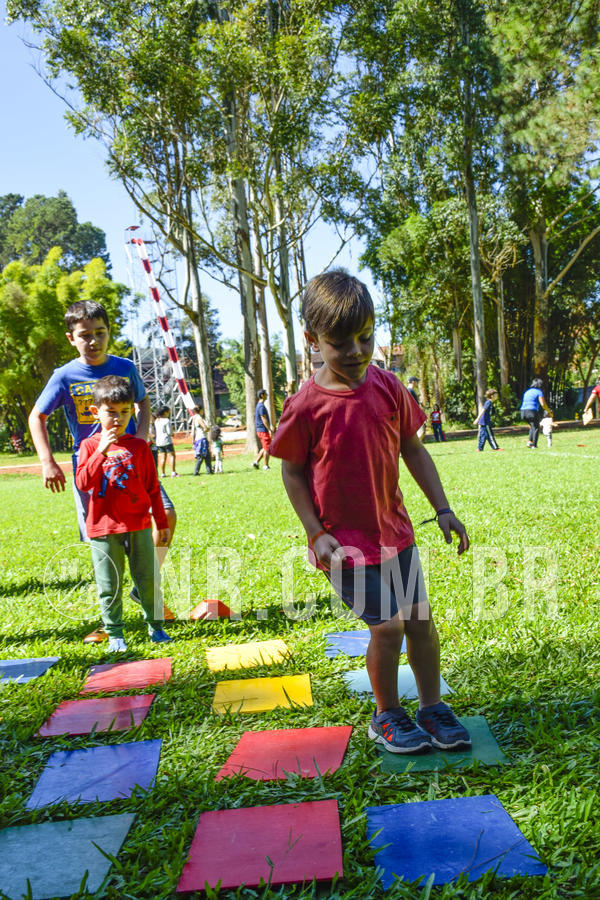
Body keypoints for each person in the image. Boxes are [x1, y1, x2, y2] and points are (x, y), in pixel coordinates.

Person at [270, 269, 471, 754]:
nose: (358, 352)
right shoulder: (305, 406)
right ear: (312, 340)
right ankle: (386, 715)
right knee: (387, 626)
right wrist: (315, 532)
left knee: (420, 622)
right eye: (342, 343)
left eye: (366, 337)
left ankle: (430, 707)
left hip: (395, 535)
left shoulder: (388, 386)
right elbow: (292, 473)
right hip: (343, 545)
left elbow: (414, 450)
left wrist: (442, 508)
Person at [28, 299, 177, 643]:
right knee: (104, 545)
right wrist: (47, 460)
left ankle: (144, 586)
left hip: (131, 460)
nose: (93, 341)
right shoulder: (64, 376)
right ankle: (114, 620)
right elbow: (38, 416)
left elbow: (142, 401)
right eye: (84, 335)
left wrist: (140, 436)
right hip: (93, 469)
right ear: (71, 338)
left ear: (109, 333)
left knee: (165, 512)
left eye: (100, 333)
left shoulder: (124, 366)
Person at [76, 376, 173, 651]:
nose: (118, 418)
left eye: (125, 411)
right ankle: (115, 633)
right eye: (111, 412)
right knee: (110, 583)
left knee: (147, 577)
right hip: (103, 529)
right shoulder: (89, 446)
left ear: (132, 410)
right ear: (95, 412)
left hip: (139, 524)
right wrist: (101, 453)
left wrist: (161, 521)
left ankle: (156, 627)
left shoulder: (140, 447)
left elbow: (153, 488)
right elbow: (83, 482)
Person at [520, 378, 551, 448]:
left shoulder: (527, 391)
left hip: (523, 412)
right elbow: (543, 404)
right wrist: (549, 411)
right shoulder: (539, 392)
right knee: (536, 427)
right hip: (531, 411)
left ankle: (529, 442)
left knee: (532, 426)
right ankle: (534, 445)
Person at [252, 388, 274, 470]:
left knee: (265, 447)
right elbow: (263, 418)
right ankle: (266, 466)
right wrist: (269, 429)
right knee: (267, 448)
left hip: (260, 430)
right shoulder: (261, 407)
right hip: (263, 430)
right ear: (262, 395)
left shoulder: (259, 405)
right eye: (266, 394)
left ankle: (256, 462)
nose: (267, 395)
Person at [154, 405, 178, 476]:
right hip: (167, 440)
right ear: (165, 413)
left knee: (162, 456)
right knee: (172, 456)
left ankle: (162, 473)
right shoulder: (166, 420)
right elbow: (169, 432)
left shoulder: (157, 421)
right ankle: (173, 472)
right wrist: (172, 433)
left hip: (159, 442)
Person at [191, 406, 212, 475]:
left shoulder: (194, 418)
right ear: (200, 410)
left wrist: (193, 440)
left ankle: (209, 471)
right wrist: (208, 428)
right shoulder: (199, 418)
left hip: (198, 439)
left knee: (207, 456)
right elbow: (205, 428)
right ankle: (196, 472)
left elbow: (193, 430)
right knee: (202, 456)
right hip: (202, 438)